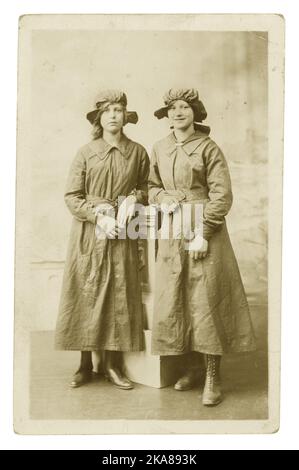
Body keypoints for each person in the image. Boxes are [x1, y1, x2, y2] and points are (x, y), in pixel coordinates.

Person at [148, 88, 256, 406]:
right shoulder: (160, 148)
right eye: (173, 108)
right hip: (171, 229)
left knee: (206, 299)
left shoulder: (208, 147)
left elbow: (221, 196)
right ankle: (193, 368)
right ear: (166, 115)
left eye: (185, 106)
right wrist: (162, 197)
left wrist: (203, 233)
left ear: (196, 112)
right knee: (178, 298)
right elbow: (151, 186)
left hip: (203, 227)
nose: (179, 112)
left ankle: (212, 376)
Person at [55, 89, 150, 390]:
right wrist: (98, 216)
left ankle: (113, 365)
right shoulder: (85, 152)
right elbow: (72, 196)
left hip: (123, 231)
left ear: (125, 116)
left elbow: (147, 187)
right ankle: (85, 364)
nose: (113, 115)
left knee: (119, 295)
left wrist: (134, 199)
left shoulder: (137, 152)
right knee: (87, 292)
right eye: (107, 110)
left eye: (118, 109)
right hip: (90, 233)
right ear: (99, 117)